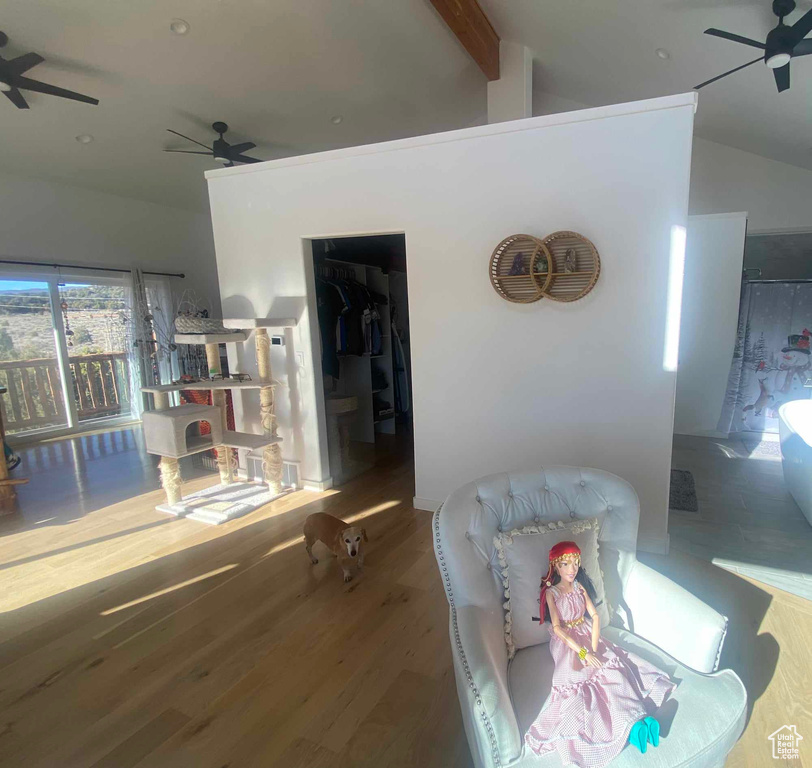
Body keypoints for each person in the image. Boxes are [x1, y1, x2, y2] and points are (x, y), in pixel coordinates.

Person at [525, 541, 678, 766]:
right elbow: (557, 629)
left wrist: (595, 647)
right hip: (568, 644)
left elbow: (594, 617)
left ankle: (637, 719)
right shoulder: (552, 593)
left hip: (588, 635)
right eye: (566, 564)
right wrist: (584, 652)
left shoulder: (579, 587)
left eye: (575, 563)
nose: (572, 569)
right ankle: (630, 725)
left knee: (613, 671)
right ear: (556, 566)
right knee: (584, 684)